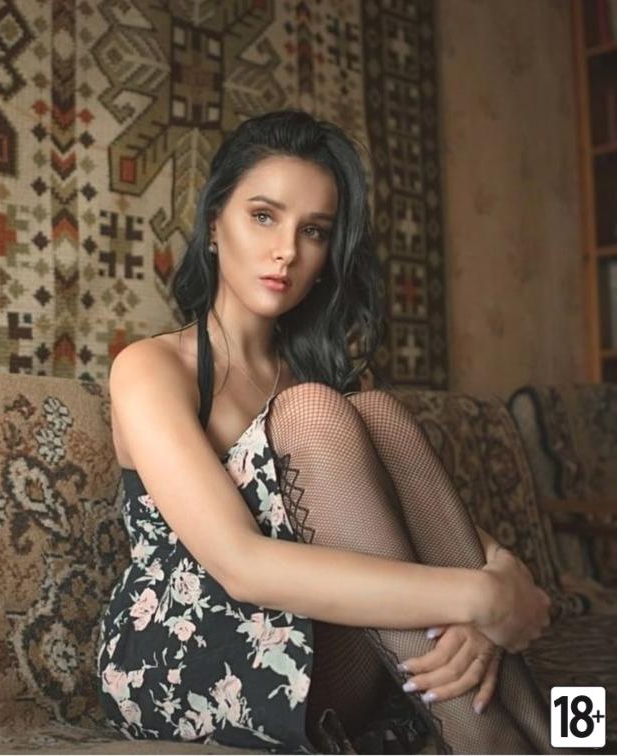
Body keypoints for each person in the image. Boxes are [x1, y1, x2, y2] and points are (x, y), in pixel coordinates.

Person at [97, 109, 555, 754]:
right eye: (264, 216)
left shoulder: (332, 384)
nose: (287, 250)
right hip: (187, 648)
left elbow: (441, 533)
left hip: (330, 641)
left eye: (313, 231)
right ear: (213, 224)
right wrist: (475, 598)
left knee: (375, 410)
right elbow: (241, 566)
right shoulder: (151, 367)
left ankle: (563, 740)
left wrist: (500, 581)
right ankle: (498, 741)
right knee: (316, 410)